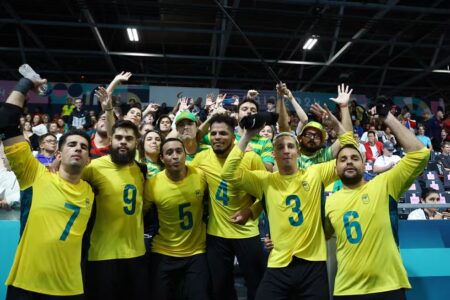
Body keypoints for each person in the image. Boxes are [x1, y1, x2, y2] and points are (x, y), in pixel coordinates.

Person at [222, 105, 350, 300]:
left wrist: (337, 124)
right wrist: (247, 136)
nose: (286, 151)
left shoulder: (315, 174)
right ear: (273, 153)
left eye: (290, 146)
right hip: (279, 264)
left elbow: (351, 155)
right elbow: (228, 173)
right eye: (280, 147)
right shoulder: (264, 180)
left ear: (298, 151)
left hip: (313, 264)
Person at [324, 102, 431, 299]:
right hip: (347, 290)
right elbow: (319, 235)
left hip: (388, 287)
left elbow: (420, 154)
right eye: (343, 159)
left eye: (354, 158)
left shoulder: (384, 185)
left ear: (364, 164)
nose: (348, 161)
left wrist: (387, 117)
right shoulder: (329, 201)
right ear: (335, 168)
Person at [0, 76, 94, 298]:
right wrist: (24, 86)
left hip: (70, 289)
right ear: (59, 155)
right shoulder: (34, 175)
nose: (78, 149)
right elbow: (5, 121)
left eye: (83, 147)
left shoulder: (92, 190)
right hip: (27, 284)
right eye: (72, 145)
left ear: (89, 160)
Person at [190, 114, 267, 300]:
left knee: (257, 285)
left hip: (247, 232)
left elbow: (267, 194)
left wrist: (251, 211)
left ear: (234, 136)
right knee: (221, 287)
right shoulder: (201, 158)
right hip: (216, 234)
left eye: (223, 133)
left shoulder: (251, 158)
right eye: (214, 133)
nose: (218, 137)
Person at [82, 120, 148, 300]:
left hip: (136, 253)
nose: (123, 142)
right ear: (111, 140)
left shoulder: (141, 170)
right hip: (102, 254)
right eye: (119, 137)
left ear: (136, 142)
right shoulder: (94, 167)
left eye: (129, 138)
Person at [145, 138, 209, 300]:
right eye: (169, 152)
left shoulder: (200, 176)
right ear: (161, 158)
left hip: (196, 252)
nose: (175, 156)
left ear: (185, 154)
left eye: (179, 151)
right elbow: (142, 215)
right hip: (163, 251)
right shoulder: (152, 184)